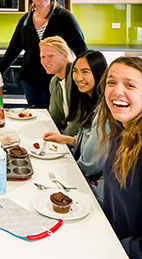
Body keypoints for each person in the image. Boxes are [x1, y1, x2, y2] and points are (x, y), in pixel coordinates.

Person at [0, 0, 87, 108]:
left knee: (59, 118)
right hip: (31, 82)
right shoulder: (26, 21)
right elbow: (12, 51)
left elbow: (81, 49)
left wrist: (88, 73)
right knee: (37, 117)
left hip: (58, 80)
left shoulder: (64, 17)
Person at [43, 50, 108, 204]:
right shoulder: (89, 99)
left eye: (85, 72)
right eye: (75, 71)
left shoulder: (104, 111)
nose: (79, 78)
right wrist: (68, 140)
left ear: (99, 73)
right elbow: (88, 137)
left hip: (98, 191)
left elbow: (90, 164)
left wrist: (66, 172)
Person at [97, 56, 142, 259]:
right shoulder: (120, 132)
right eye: (111, 82)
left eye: (130, 85)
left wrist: (115, 248)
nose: (117, 91)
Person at [39, 36, 79, 136]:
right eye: (43, 57)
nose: (45, 61)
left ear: (65, 55)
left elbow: (79, 118)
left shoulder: (76, 77)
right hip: (68, 134)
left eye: (50, 56)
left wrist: (63, 140)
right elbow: (54, 116)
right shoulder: (55, 81)